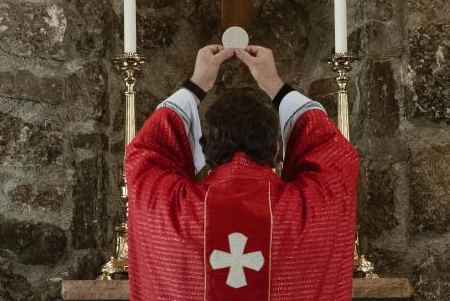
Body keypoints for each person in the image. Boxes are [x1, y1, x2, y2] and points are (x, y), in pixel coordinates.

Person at [126, 44, 359, 301]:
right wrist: (275, 85)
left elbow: (143, 158)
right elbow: (336, 158)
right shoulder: (309, 209)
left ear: (207, 150)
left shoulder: (172, 209)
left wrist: (196, 85)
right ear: (276, 148)